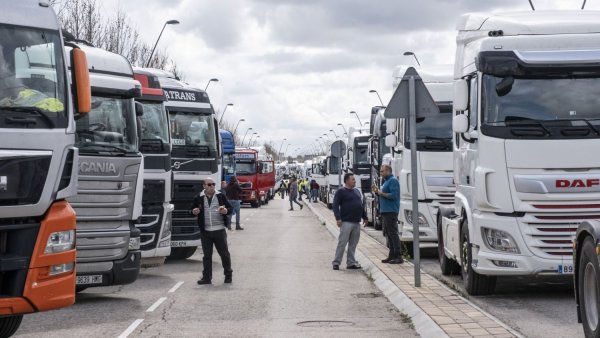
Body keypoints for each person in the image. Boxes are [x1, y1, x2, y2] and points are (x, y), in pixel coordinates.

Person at [191, 177, 234, 285]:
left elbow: (230, 209)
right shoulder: (199, 197)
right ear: (204, 186)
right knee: (207, 256)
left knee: (224, 254)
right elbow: (191, 210)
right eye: (209, 184)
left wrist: (225, 211)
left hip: (219, 230)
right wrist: (194, 211)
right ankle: (207, 278)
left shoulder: (220, 196)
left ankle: (228, 275)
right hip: (205, 231)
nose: (212, 186)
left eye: (213, 184)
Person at [332, 173, 368, 270]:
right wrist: (338, 218)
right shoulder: (341, 192)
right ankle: (336, 262)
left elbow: (360, 205)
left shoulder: (356, 191)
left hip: (356, 222)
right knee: (342, 243)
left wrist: (365, 217)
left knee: (353, 244)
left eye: (354, 180)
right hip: (346, 222)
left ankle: (351, 262)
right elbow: (335, 205)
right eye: (353, 180)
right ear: (347, 181)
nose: (355, 181)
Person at [373, 165, 403, 264]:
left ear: (388, 171)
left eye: (382, 171)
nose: (381, 173)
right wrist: (377, 192)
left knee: (393, 233)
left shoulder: (393, 181)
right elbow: (384, 194)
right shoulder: (385, 181)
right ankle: (391, 254)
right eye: (380, 171)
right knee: (388, 233)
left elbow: (394, 195)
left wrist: (382, 194)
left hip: (391, 211)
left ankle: (398, 255)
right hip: (385, 211)